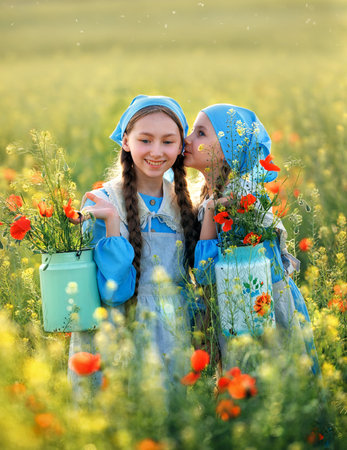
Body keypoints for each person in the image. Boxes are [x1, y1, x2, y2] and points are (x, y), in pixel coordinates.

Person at [68, 95, 199, 394]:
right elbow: (114, 291)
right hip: (118, 332)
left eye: (168, 141)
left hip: (171, 330)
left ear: (181, 147)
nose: (156, 151)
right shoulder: (104, 202)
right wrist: (113, 222)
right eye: (145, 140)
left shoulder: (184, 203)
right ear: (126, 141)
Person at [184, 103, 320, 375]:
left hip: (261, 311)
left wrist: (212, 212)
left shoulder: (242, 203)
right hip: (242, 310)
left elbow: (206, 272)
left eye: (200, 133)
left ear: (228, 151)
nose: (187, 139)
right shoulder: (212, 197)